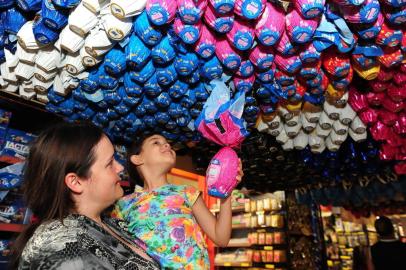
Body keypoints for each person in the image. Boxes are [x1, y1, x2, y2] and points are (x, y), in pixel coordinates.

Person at [9, 123, 160, 270]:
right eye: (109, 163)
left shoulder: (108, 223)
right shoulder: (66, 252)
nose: (120, 168)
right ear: (75, 182)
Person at [112, 134, 243, 269]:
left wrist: (226, 193)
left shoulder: (187, 192)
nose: (167, 145)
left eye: (167, 143)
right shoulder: (123, 204)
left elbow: (221, 238)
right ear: (137, 158)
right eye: (156, 142)